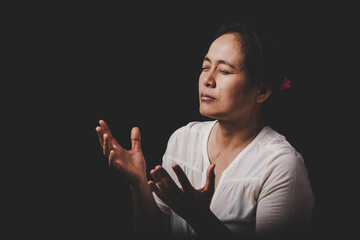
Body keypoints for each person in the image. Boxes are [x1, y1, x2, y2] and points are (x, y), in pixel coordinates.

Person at [95, 22, 314, 239]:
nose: (207, 80)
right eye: (205, 67)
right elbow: (155, 232)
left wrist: (199, 218)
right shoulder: (183, 139)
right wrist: (138, 185)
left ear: (262, 90)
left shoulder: (281, 166)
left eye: (225, 71)